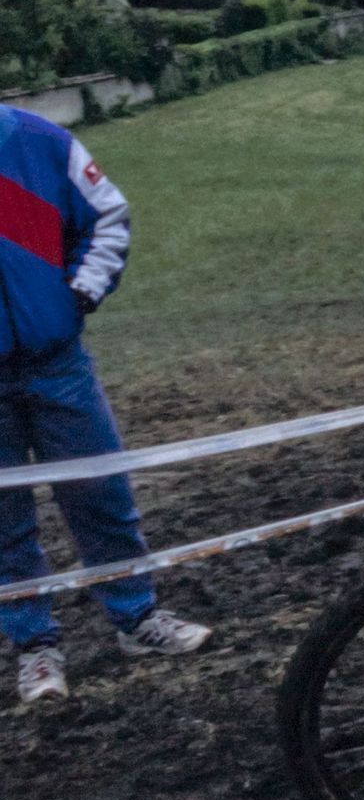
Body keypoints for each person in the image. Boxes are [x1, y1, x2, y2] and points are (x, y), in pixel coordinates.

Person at [0, 105, 211, 705]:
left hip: (57, 362)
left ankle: (136, 617)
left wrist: (80, 293)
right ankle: (35, 649)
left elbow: (108, 216)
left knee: (101, 493)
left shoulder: (40, 142)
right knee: (3, 522)